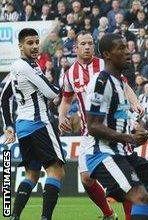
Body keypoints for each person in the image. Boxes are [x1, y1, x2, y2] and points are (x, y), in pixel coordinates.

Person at [84, 33, 148, 220]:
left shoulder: (120, 84)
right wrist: (130, 138)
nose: (128, 52)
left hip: (124, 153)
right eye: (120, 48)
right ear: (107, 54)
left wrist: (134, 129)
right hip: (102, 154)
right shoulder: (101, 81)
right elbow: (93, 126)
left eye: (127, 47)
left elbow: (118, 121)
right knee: (140, 197)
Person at [57, 31, 143, 220]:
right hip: (89, 133)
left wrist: (135, 102)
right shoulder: (70, 73)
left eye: (90, 43)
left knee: (126, 178)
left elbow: (125, 85)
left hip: (114, 129)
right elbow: (66, 100)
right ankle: (108, 214)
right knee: (86, 179)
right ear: (75, 47)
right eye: (83, 44)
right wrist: (61, 116)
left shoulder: (105, 64)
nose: (87, 47)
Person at [1, 28, 64, 220]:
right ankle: (45, 218)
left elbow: (4, 98)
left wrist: (9, 125)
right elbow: (52, 93)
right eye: (30, 43)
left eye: (37, 42)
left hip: (23, 127)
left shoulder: (16, 67)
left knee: (32, 175)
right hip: (40, 124)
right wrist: (61, 88)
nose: (35, 46)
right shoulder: (28, 67)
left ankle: (15, 216)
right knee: (57, 171)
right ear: (20, 46)